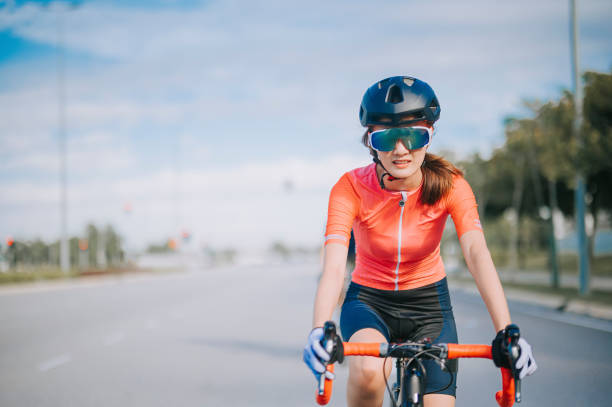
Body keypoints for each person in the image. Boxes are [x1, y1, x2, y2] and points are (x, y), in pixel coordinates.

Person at [303, 76, 537, 407]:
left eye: (413, 135)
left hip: (429, 306)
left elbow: (476, 253)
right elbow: (334, 266)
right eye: (386, 138)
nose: (401, 150)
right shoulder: (349, 187)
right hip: (369, 303)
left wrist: (507, 331)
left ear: (429, 137)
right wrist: (319, 329)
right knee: (368, 371)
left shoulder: (452, 185)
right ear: (370, 142)